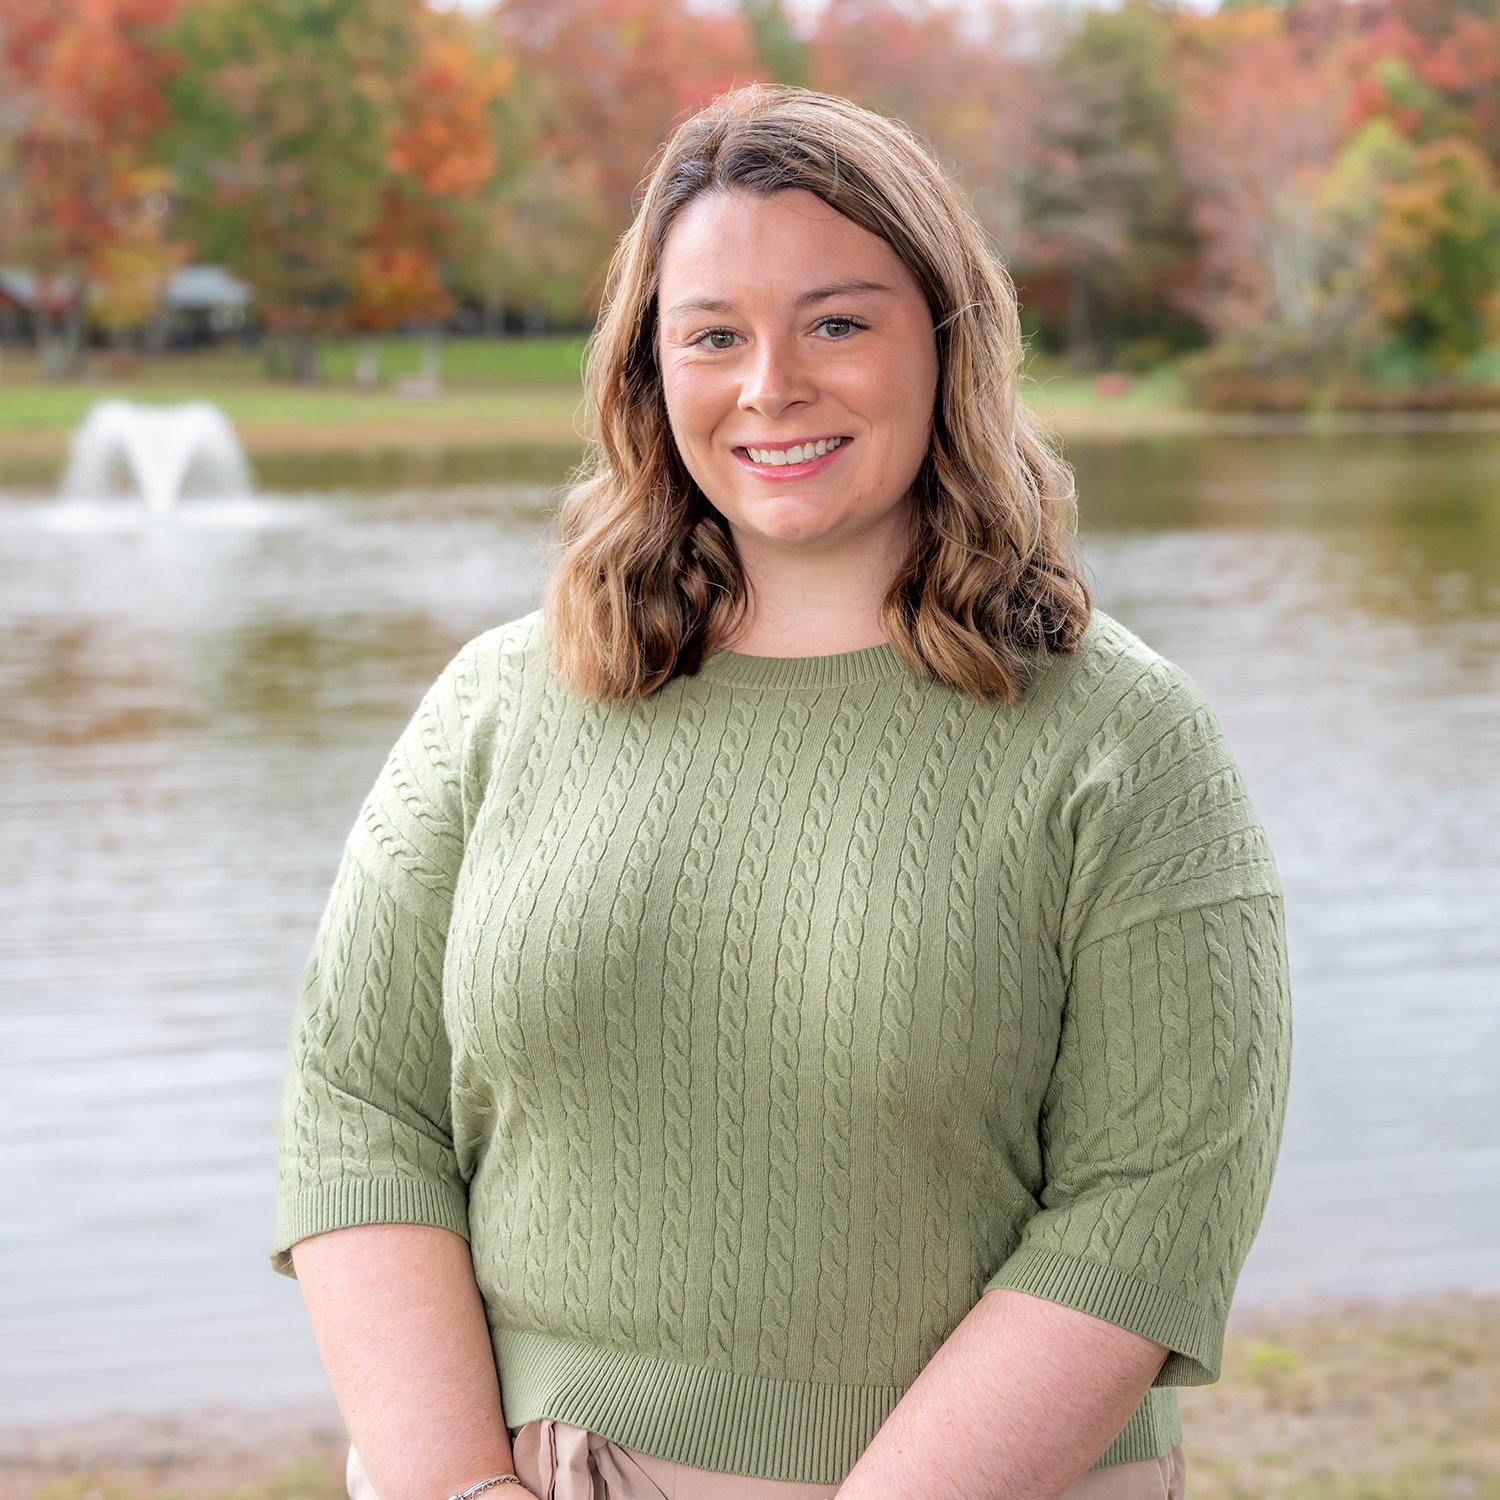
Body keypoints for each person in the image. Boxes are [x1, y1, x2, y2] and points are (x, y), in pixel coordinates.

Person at [272, 85, 1292, 1500]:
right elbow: (355, 1108)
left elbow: (1151, 1210)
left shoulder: (1125, 742)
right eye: (712, 335)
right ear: (648, 370)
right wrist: (456, 1488)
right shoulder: (496, 708)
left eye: (837, 322)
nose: (771, 386)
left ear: (946, 344)